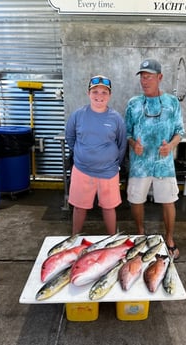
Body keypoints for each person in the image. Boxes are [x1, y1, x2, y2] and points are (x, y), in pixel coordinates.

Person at [125, 58, 185, 259]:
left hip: (163, 164)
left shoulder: (172, 102)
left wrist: (170, 146)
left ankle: (169, 238)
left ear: (160, 77)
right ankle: (140, 234)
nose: (144, 80)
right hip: (140, 164)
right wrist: (134, 144)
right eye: (142, 76)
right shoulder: (133, 103)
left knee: (168, 201)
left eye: (149, 76)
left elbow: (179, 131)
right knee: (136, 200)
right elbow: (126, 133)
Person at [66, 75, 127, 235]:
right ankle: (74, 237)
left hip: (108, 171)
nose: (99, 96)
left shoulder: (116, 118)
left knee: (109, 207)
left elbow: (122, 144)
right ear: (88, 93)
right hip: (82, 170)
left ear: (110, 95)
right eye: (95, 91)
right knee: (79, 207)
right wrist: (83, 156)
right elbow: (70, 138)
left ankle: (112, 238)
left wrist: (112, 163)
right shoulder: (77, 115)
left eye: (104, 92)